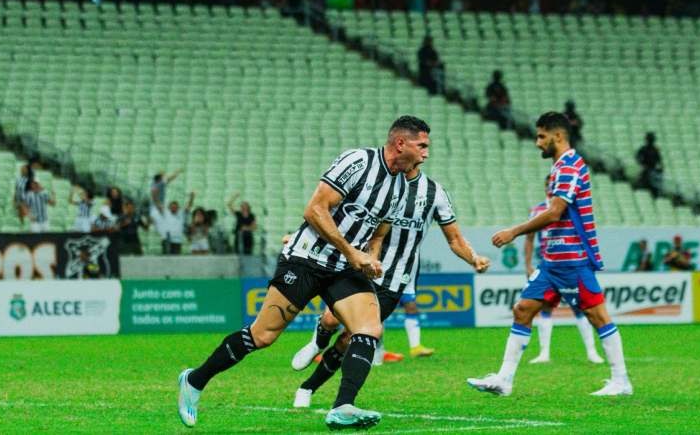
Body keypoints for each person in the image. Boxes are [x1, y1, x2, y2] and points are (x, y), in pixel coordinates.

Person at [176, 115, 428, 431]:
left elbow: (377, 236)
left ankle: (343, 406)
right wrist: (351, 252)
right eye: (422, 146)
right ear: (401, 143)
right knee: (263, 336)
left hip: (343, 269)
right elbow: (314, 210)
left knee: (369, 329)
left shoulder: (401, 188)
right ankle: (194, 380)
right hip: (305, 259)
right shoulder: (358, 161)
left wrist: (371, 259)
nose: (425, 153)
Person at [290, 163, 491, 408]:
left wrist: (473, 258)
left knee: (349, 338)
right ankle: (317, 344)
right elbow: (344, 219)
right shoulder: (377, 183)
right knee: (330, 320)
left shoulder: (434, 192)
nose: (423, 153)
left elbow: (455, 238)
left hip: (395, 280)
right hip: (362, 267)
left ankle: (308, 388)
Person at [467, 112, 632, 397]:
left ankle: (621, 381)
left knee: (597, 317)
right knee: (522, 310)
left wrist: (513, 232)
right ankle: (504, 380)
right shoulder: (560, 168)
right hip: (552, 263)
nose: (537, 142)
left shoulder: (569, 166)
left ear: (558, 136)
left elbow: (555, 212)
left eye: (541, 136)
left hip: (573, 260)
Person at [524, 177, 603, 365]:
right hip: (548, 268)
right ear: (544, 188)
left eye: (552, 186)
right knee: (545, 308)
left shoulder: (570, 209)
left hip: (570, 267)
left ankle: (592, 352)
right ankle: (544, 353)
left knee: (581, 308)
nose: (549, 189)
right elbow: (529, 239)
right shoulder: (536, 211)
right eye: (547, 186)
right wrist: (528, 265)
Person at [149, 167, 184, 238]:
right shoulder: (156, 184)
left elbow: (170, 178)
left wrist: (178, 171)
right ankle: (160, 231)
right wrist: (179, 171)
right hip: (154, 206)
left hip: (160, 206)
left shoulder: (158, 182)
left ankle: (164, 232)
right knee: (156, 217)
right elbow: (170, 178)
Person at [635, 132, 662, 198]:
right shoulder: (644, 149)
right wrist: (643, 164)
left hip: (652, 170)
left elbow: (658, 160)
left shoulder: (654, 150)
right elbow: (638, 157)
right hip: (647, 170)